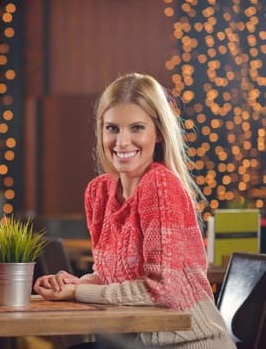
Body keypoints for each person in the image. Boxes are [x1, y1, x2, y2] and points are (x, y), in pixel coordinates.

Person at [33, 73, 235, 348]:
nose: (122, 141)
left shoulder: (159, 184)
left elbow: (162, 290)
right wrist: (75, 282)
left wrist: (78, 292)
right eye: (112, 128)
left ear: (159, 133)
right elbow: (114, 277)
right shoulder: (99, 192)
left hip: (190, 341)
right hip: (131, 340)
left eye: (137, 128)